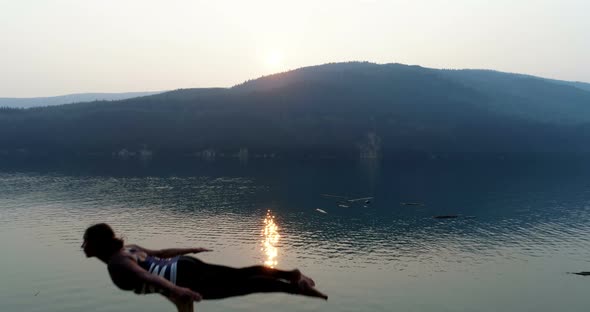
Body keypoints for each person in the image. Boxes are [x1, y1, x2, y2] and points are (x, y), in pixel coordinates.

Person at [82, 223, 328, 312]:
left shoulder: (117, 263)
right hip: (184, 266)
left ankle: (297, 289)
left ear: (97, 244)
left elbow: (146, 276)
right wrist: (189, 251)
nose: (82, 245)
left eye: (86, 241)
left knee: (244, 286)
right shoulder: (130, 249)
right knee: (241, 274)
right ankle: (291, 275)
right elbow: (159, 255)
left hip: (184, 278)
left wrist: (177, 290)